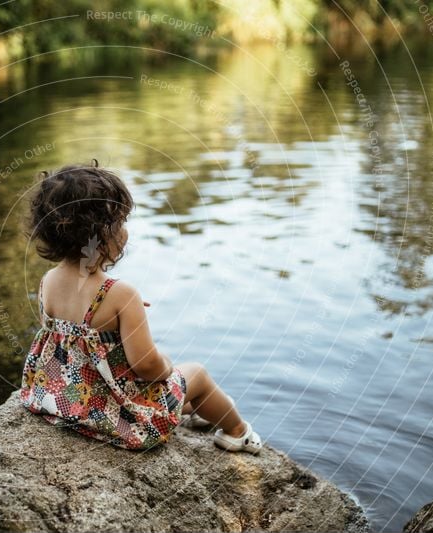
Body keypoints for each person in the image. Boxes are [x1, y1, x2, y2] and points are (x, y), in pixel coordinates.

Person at [19, 160, 262, 454]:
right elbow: (146, 367)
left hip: (66, 403)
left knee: (172, 392)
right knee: (195, 374)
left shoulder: (48, 282)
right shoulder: (121, 294)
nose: (124, 231)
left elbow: (74, 338)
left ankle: (188, 408)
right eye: (120, 223)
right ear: (100, 234)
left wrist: (120, 312)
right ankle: (237, 432)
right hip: (119, 420)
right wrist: (168, 366)